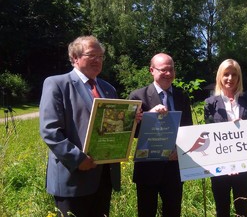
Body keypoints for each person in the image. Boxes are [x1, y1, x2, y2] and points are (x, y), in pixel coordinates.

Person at [39, 36, 121, 217]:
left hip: (103, 178)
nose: (98, 60)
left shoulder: (109, 89)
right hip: (73, 177)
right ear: (75, 57)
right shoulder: (57, 84)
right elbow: (50, 131)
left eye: (101, 56)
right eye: (92, 55)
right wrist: (78, 159)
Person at [128, 53, 193, 217]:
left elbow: (188, 128)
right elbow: (131, 133)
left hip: (174, 166)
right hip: (148, 168)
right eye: (164, 70)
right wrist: (149, 116)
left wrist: (180, 151)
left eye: (171, 69)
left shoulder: (182, 96)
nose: (169, 74)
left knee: (173, 212)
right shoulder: (137, 96)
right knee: (146, 212)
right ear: (152, 70)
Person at [204, 59, 247, 217]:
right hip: (220, 168)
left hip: (245, 165)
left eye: (234, 74)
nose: (230, 78)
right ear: (220, 76)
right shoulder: (210, 103)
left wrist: (244, 126)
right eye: (226, 74)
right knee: (222, 209)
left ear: (239, 78)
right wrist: (227, 164)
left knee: (243, 210)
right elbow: (210, 136)